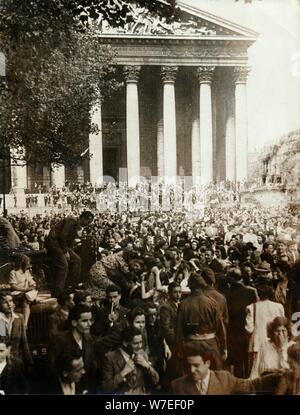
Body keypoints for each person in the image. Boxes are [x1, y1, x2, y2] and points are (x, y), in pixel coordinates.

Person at [171, 341, 281, 395]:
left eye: (196, 365)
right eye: (188, 365)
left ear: (208, 363)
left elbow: (251, 386)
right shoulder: (177, 386)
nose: (191, 370)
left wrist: (280, 376)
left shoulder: (225, 379)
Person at [175, 273, 227, 370]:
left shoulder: (183, 304)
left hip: (191, 345)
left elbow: (179, 331)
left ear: (190, 287)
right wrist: (224, 348)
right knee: (213, 375)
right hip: (210, 344)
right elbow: (220, 327)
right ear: (202, 287)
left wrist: (179, 349)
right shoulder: (212, 303)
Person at [47, 304, 97, 393]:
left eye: (91, 320)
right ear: (74, 322)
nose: (89, 324)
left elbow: (90, 369)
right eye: (85, 321)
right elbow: (51, 370)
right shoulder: (58, 340)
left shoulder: (90, 340)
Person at [45, 211, 94, 297]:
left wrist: (70, 250)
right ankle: (57, 292)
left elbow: (69, 240)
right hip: (54, 243)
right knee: (64, 266)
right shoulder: (71, 221)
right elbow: (62, 236)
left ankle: (70, 286)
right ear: (83, 218)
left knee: (77, 260)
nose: (87, 224)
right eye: (88, 222)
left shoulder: (77, 225)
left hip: (61, 245)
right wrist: (65, 252)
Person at [101, 326, 159, 394]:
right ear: (125, 343)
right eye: (135, 343)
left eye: (141, 342)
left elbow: (155, 381)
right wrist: (123, 373)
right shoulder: (110, 358)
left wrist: (147, 366)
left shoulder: (142, 354)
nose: (140, 346)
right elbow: (105, 389)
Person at [0, 292, 33, 371]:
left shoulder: (19, 318)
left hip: (17, 363)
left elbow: (24, 342)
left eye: (11, 301)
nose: (9, 304)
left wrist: (29, 363)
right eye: (5, 302)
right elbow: (3, 341)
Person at [9, 254, 38, 328]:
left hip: (25, 294)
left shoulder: (26, 272)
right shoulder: (13, 272)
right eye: (27, 263)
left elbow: (32, 282)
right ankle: (25, 325)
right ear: (22, 263)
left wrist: (33, 285)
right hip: (16, 293)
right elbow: (13, 286)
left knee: (26, 302)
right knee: (26, 299)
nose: (29, 265)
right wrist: (24, 289)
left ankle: (25, 325)